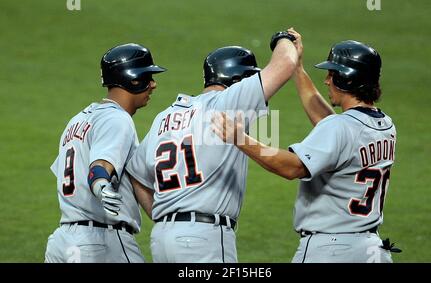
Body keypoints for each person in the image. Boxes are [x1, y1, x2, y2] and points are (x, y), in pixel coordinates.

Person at [212, 30, 400, 263]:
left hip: (331, 250)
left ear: (346, 79)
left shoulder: (340, 129)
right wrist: (297, 70)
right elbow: (331, 126)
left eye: (332, 74)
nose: (327, 80)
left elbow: (292, 168)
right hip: (371, 251)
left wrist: (240, 138)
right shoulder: (384, 126)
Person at [125, 30, 300, 262]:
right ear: (239, 81)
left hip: (163, 239)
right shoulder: (229, 101)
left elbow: (137, 176)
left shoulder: (164, 118)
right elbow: (286, 62)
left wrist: (166, 218)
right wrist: (284, 38)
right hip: (203, 239)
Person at [45, 43, 166, 263]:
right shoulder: (117, 119)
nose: (153, 84)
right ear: (133, 80)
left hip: (62, 241)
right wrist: (101, 185)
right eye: (148, 77)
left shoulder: (78, 120)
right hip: (100, 242)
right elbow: (100, 167)